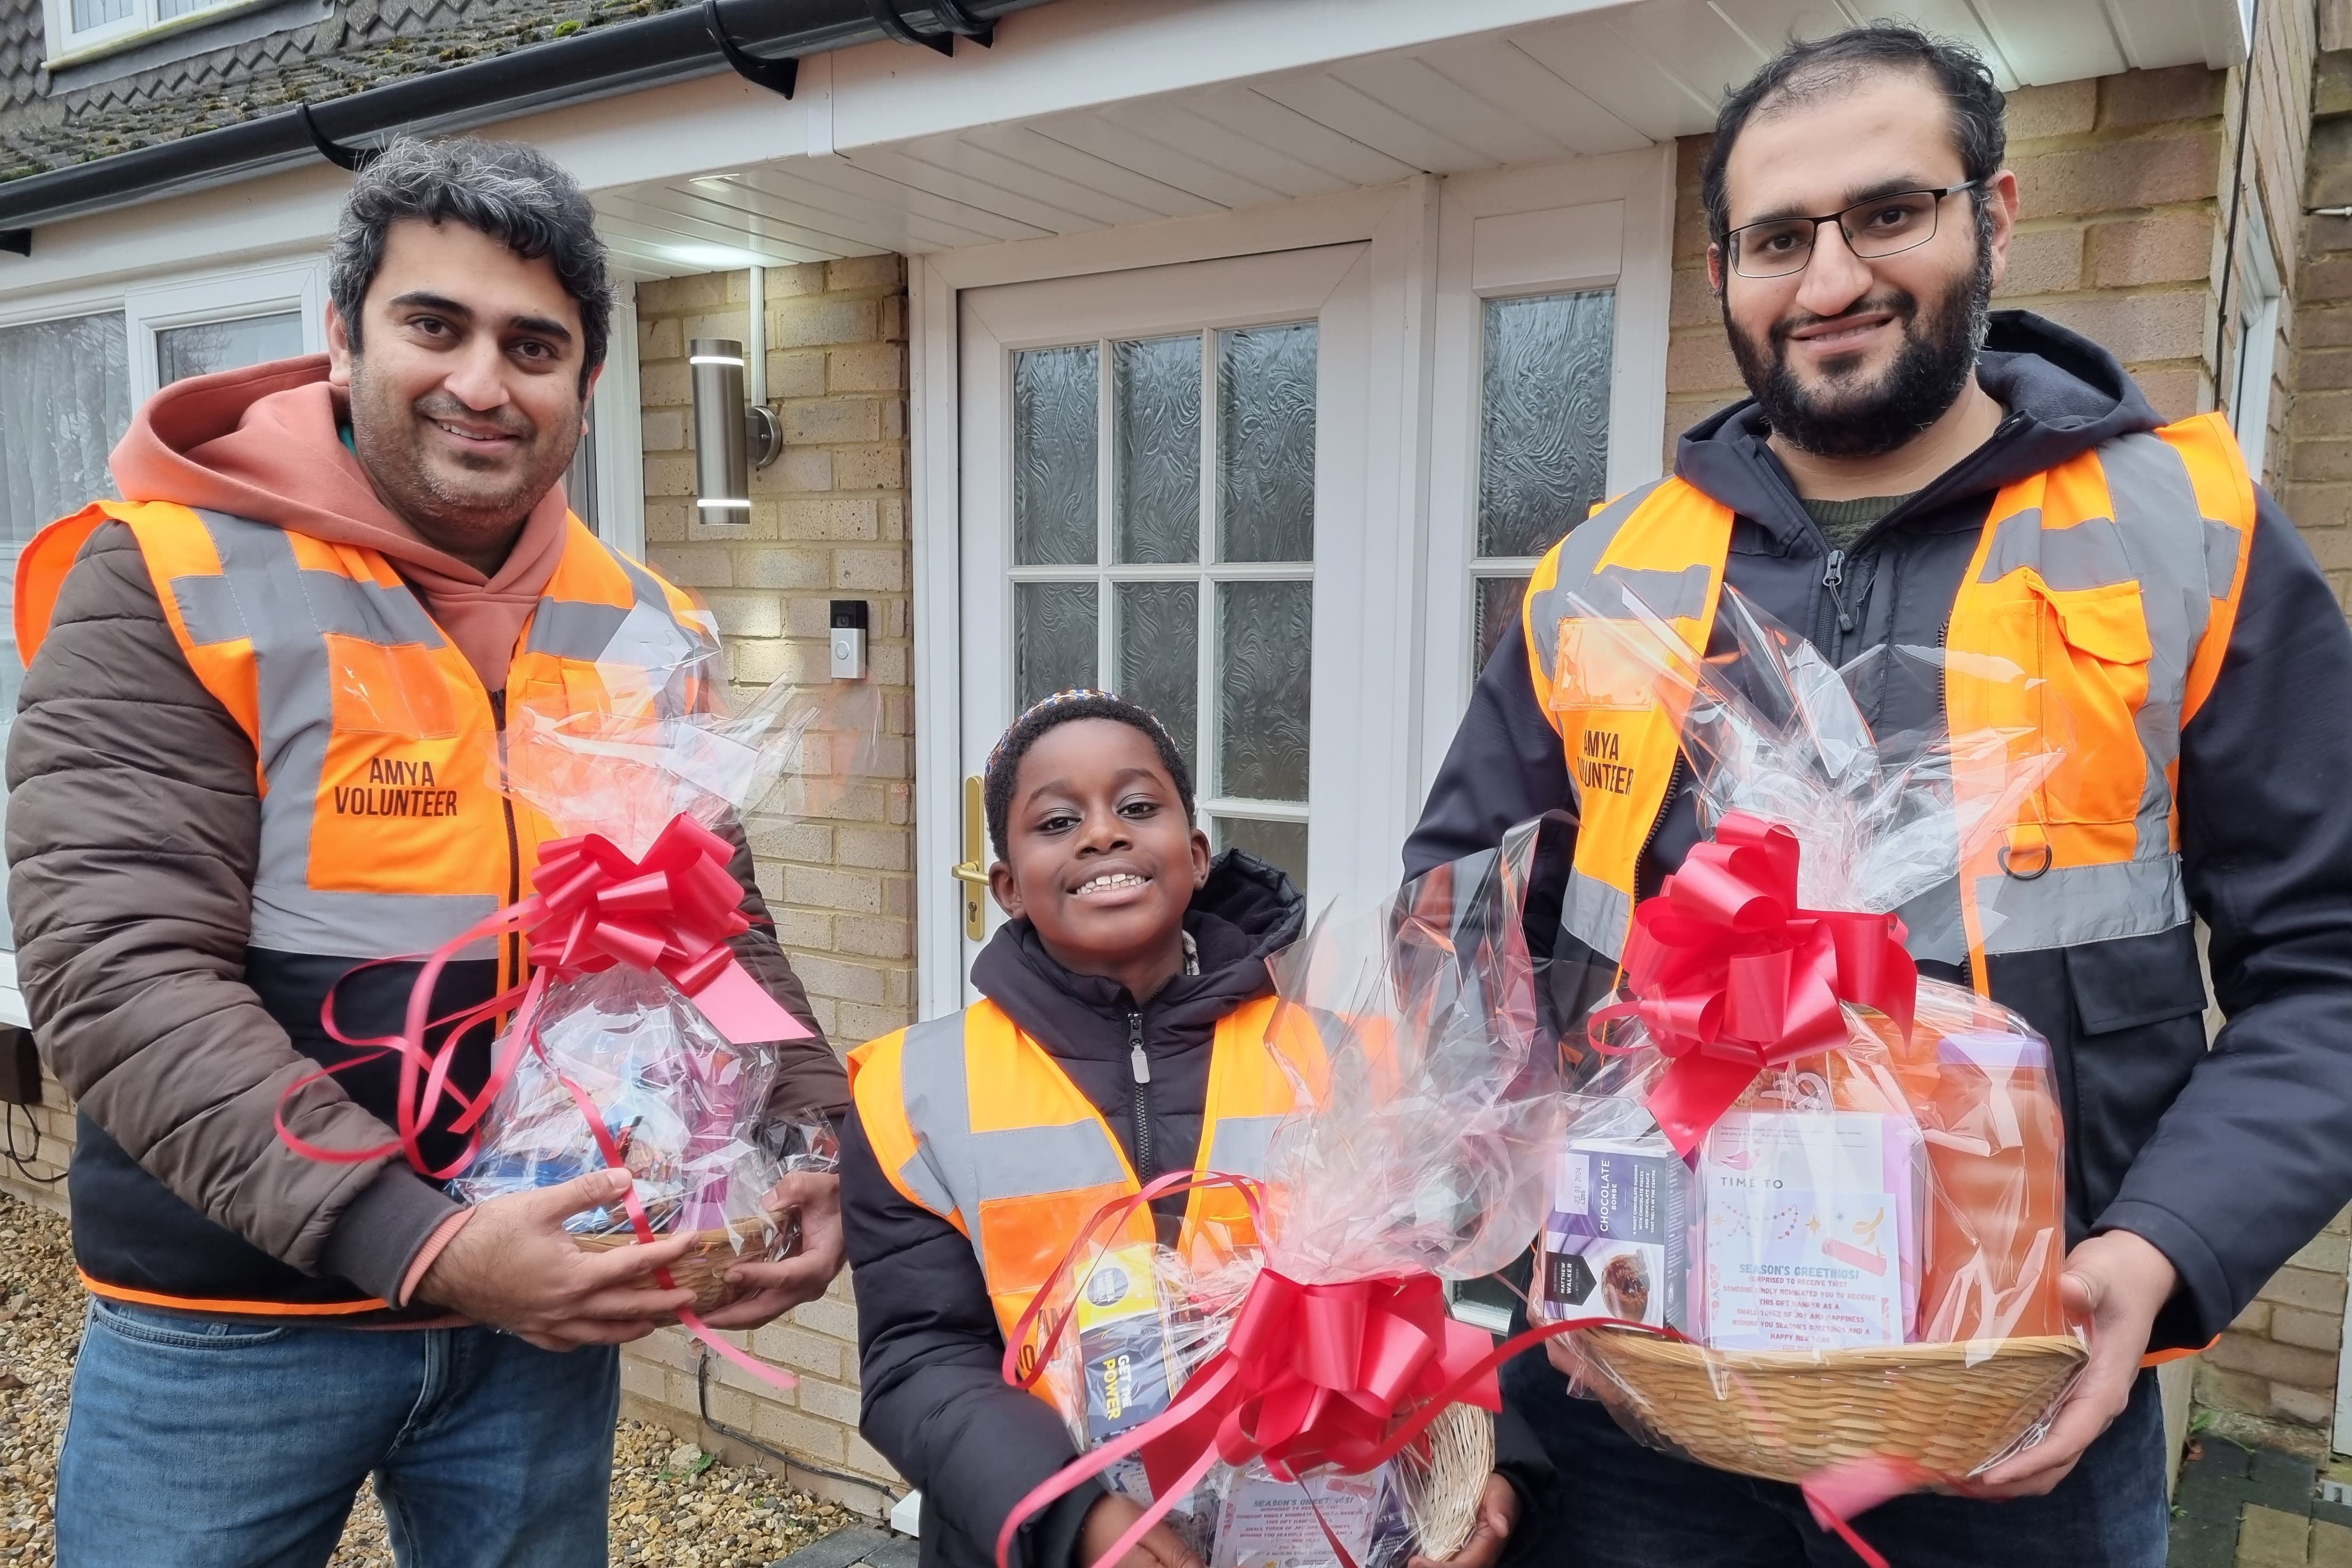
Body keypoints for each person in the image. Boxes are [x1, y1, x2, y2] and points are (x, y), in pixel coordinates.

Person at [1407, 24, 2352, 1568]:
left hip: (2019, 1403)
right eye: (1779, 237)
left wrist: (2161, 1254)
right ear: (1723, 273)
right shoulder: (1601, 578)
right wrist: (1512, 1272)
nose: (1831, 276)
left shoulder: (2187, 531)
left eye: (1889, 213)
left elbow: (2330, 967)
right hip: (1633, 1408)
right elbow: (1457, 948)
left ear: (1995, 212)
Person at [6, 136, 849, 1567]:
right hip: (235, 1320)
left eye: (534, 345)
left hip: (545, 1312)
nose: (481, 381)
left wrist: (806, 1139)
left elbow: (717, 931)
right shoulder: (167, 569)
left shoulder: (649, 620)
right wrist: (422, 1240)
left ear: (585, 385)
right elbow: (118, 969)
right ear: (341, 341)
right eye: (434, 324)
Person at [843, 690, 1549, 1568]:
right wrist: (1075, 1518)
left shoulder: (1342, 1053)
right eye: (1057, 820)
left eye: (1139, 807)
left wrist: (1491, 1458)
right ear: (1006, 888)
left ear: (1199, 853)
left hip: (1314, 1536)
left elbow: (1413, 1308)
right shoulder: (913, 1095)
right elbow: (920, 1363)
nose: (1104, 834)